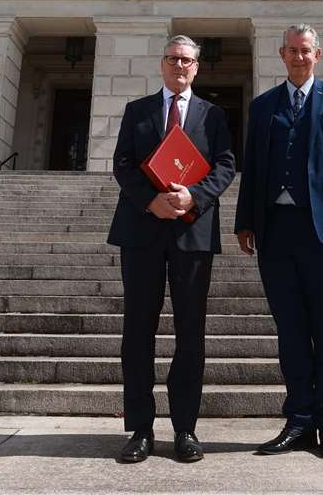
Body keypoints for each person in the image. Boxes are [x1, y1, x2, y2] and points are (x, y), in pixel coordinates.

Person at [235, 24, 323, 460]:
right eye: (292, 51)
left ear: (318, 54)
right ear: (282, 54)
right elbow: (253, 169)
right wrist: (245, 222)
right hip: (276, 229)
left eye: (306, 51)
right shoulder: (262, 106)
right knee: (291, 331)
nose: (299, 57)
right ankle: (298, 419)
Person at [106, 34, 236, 465]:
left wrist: (193, 197)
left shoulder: (213, 114)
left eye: (187, 60)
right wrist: (151, 200)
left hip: (191, 232)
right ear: (162, 64)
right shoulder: (137, 111)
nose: (179, 66)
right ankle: (140, 429)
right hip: (142, 229)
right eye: (172, 59)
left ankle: (186, 428)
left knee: (191, 333)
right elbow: (122, 163)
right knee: (137, 331)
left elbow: (226, 164)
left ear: (197, 67)